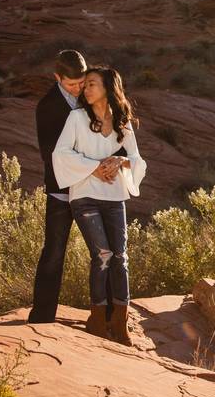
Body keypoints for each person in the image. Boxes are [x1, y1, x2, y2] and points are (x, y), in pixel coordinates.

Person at [53, 65, 146, 346]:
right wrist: (94, 168)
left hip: (115, 196)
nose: (86, 88)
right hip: (84, 195)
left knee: (121, 258)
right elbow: (60, 153)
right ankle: (96, 320)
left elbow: (138, 160)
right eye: (85, 84)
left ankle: (120, 323)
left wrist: (121, 161)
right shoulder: (77, 118)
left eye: (92, 83)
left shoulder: (122, 122)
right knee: (103, 255)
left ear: (108, 87)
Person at [28, 50, 120, 324]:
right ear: (57, 77)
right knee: (54, 252)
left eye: (81, 82)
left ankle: (111, 317)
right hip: (62, 191)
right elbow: (50, 153)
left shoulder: (90, 97)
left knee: (106, 251)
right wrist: (93, 166)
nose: (78, 88)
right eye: (71, 84)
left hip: (93, 189)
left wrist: (112, 162)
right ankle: (42, 317)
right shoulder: (47, 107)